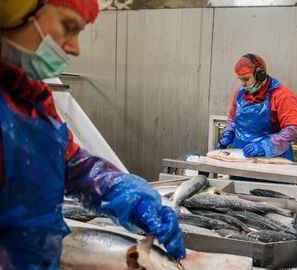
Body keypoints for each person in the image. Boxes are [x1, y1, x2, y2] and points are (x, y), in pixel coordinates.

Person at [0, 1, 185, 269]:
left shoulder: (32, 97)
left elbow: (73, 166)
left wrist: (133, 199)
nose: (76, 48)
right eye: (68, 26)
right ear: (15, 10)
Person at [216, 53, 297, 160]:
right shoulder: (239, 93)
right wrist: (228, 134)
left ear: (260, 74)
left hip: (271, 160)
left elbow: (293, 129)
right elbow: (232, 119)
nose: (243, 84)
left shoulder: (282, 95)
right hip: (241, 157)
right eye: (241, 79)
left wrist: (264, 146)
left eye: (246, 79)